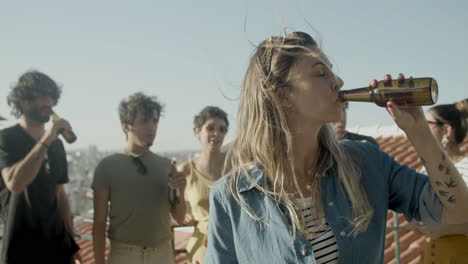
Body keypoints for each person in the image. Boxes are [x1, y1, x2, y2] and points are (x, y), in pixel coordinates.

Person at [204, 32, 468, 264]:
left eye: (332, 70)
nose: (339, 81)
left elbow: (458, 212)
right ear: (281, 94)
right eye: (321, 73)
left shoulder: (366, 162)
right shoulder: (231, 198)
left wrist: (419, 130)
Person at [92, 92, 186, 264]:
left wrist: (182, 191)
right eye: (145, 121)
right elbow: (98, 223)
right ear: (126, 126)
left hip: (163, 253)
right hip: (125, 255)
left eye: (155, 121)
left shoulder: (167, 165)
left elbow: (179, 218)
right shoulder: (107, 166)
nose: (151, 127)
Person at [0, 70, 80, 263]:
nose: (48, 101)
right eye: (41, 95)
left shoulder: (57, 145)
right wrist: (47, 138)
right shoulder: (6, 139)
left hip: (58, 248)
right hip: (21, 249)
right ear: (23, 101)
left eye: (51, 96)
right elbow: (15, 183)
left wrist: (71, 241)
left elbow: (60, 195)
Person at [411, 99, 468, 263]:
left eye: (428, 123)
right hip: (432, 255)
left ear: (447, 130)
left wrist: (442, 228)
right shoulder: (425, 169)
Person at [178, 106, 229, 263]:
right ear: (197, 132)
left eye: (222, 129)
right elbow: (177, 212)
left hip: (231, 244)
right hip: (201, 248)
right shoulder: (186, 170)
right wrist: (184, 215)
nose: (217, 134)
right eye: (211, 128)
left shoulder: (234, 165)